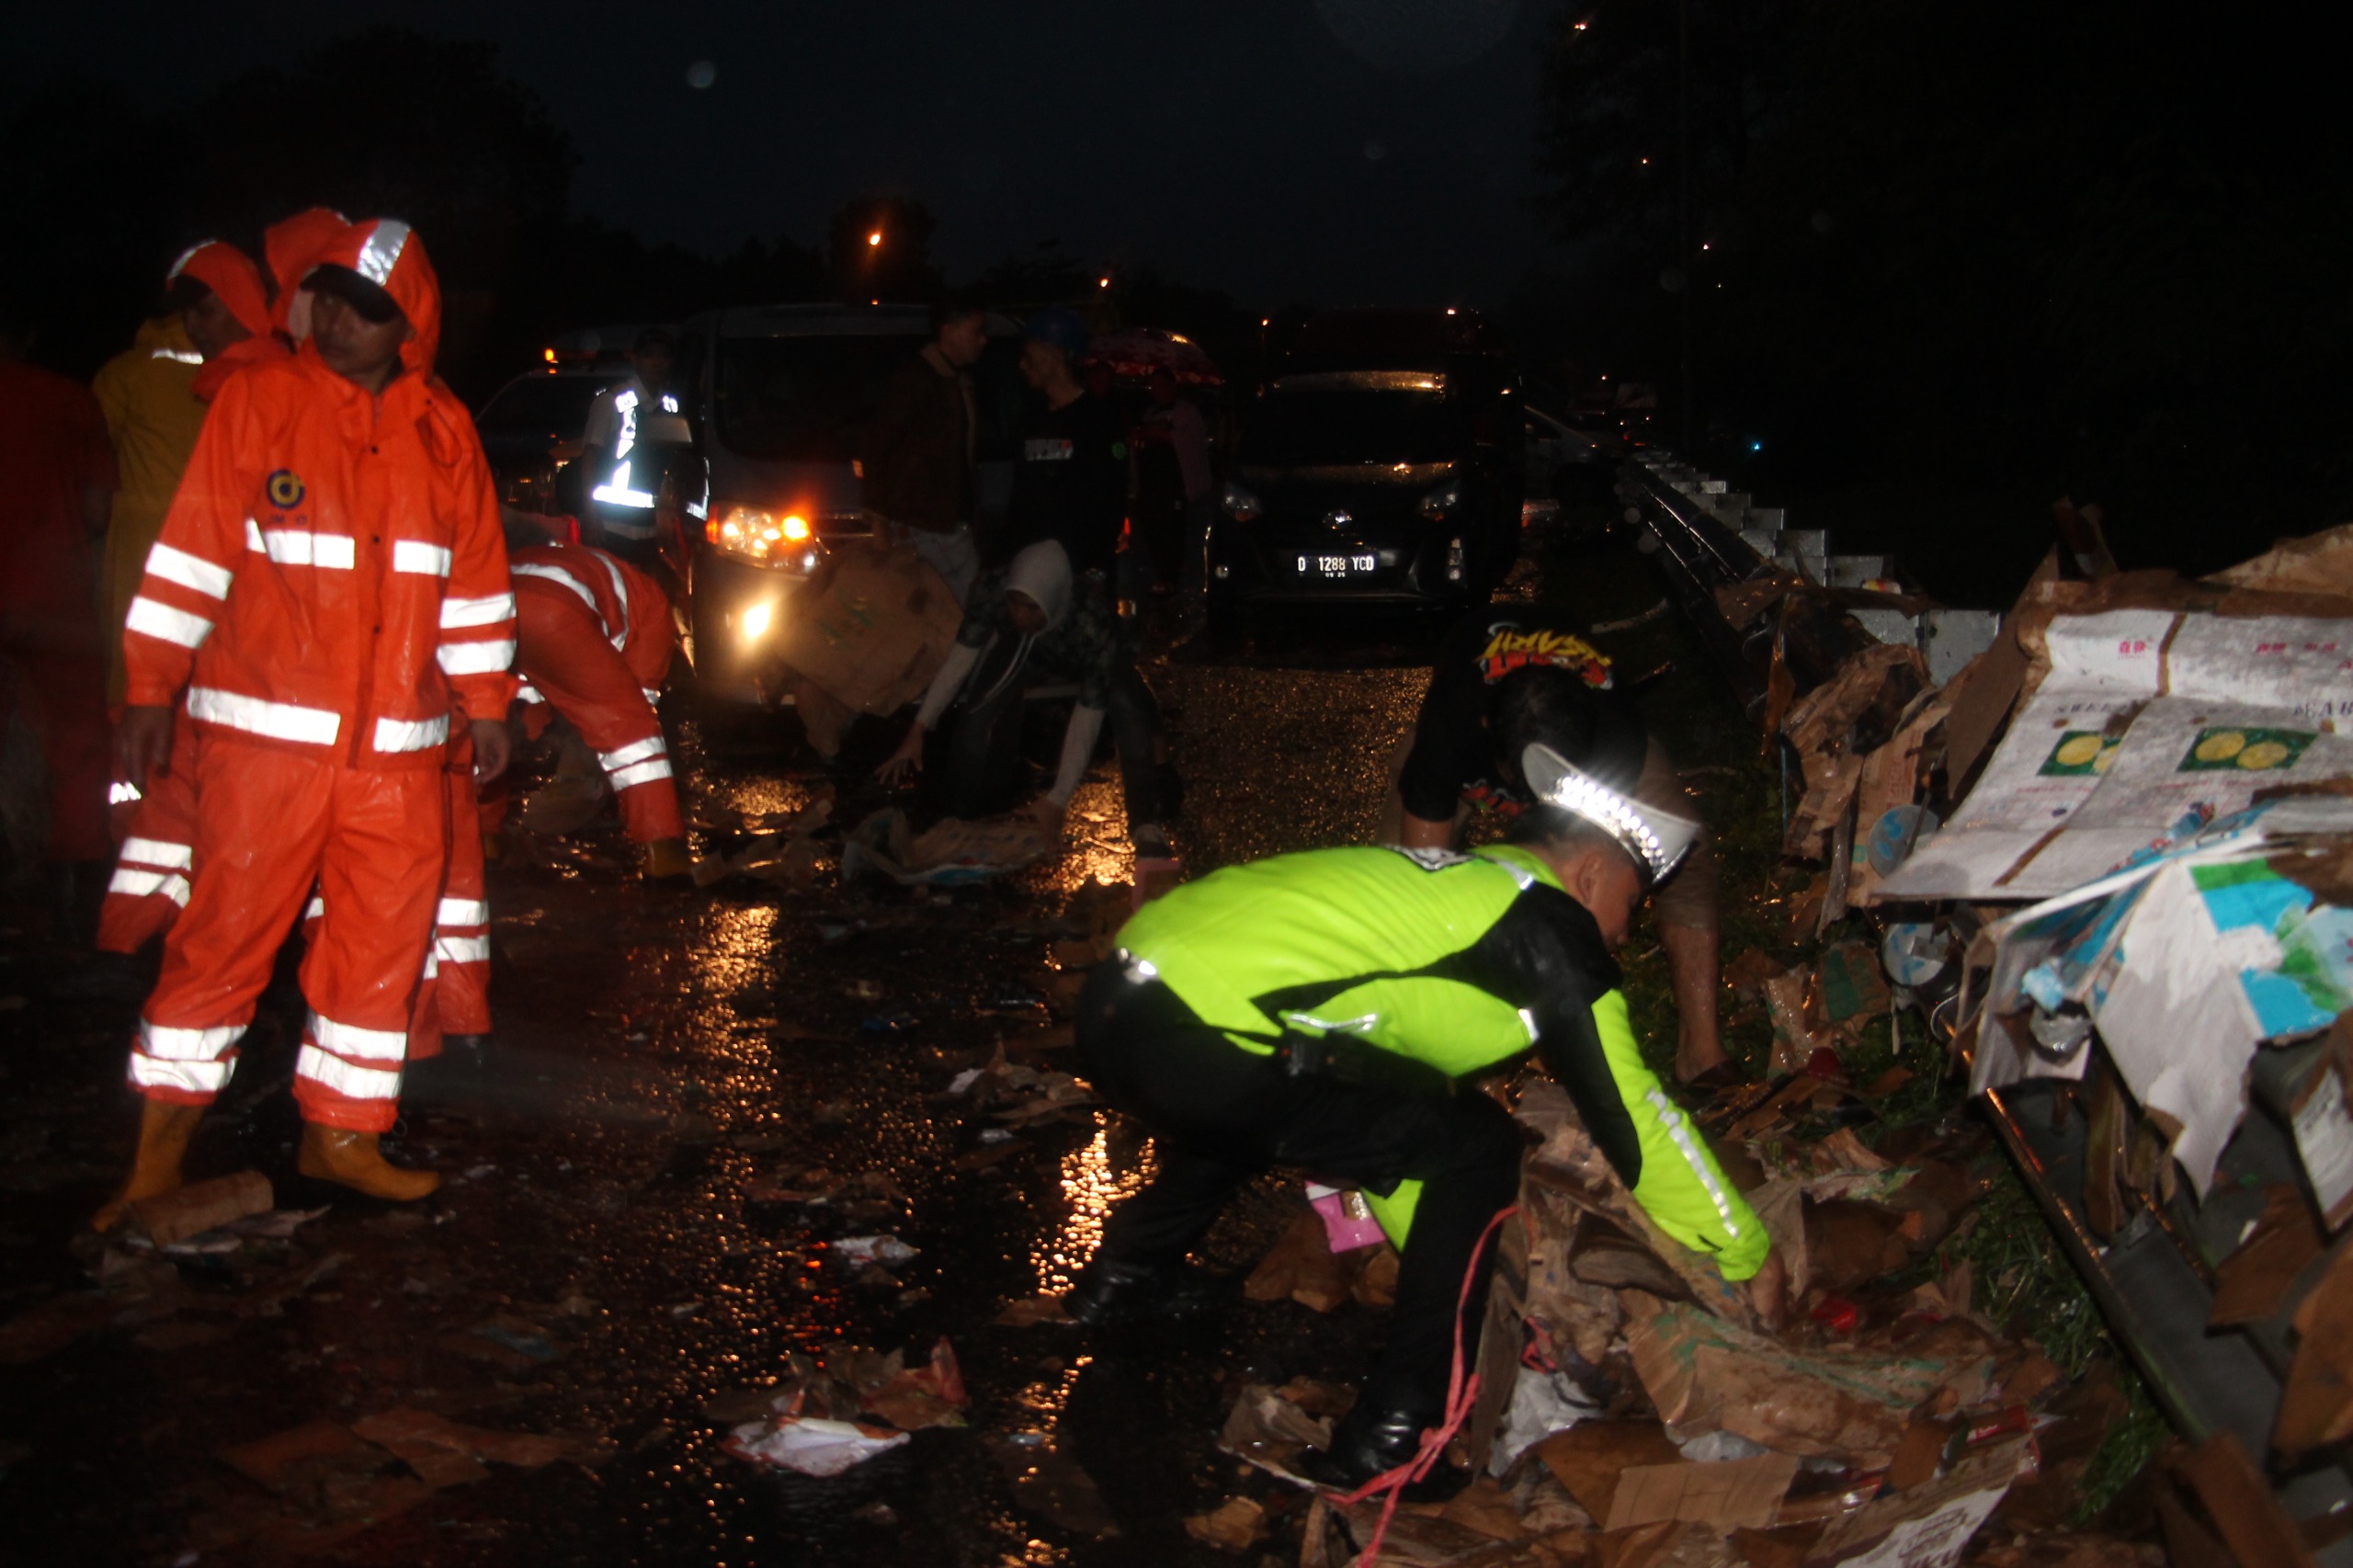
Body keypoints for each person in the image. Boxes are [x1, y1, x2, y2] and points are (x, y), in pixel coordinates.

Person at [1065, 684, 1782, 1498]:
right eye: (1631, 904)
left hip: (1121, 1003)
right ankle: (1404, 1433)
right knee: (1477, 1148)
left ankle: (1126, 1276)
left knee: (1285, 1101)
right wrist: (1744, 1247)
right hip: (1197, 1034)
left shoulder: (1456, 894)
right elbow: (1633, 1117)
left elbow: (1393, 1131)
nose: (1625, 932)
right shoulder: (1543, 928)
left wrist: (1436, 1263)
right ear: (1590, 873)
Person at [97, 216, 516, 1226]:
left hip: (399, 759)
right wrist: (150, 691)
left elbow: (472, 584)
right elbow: (189, 558)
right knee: (221, 947)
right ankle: (156, 1160)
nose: (335, 323)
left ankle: (343, 1137)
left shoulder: (444, 429)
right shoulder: (259, 400)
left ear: (407, 323)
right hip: (265, 747)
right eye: (324, 300)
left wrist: (489, 702)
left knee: (378, 953)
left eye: (363, 312)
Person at [1386, 608, 1731, 1083]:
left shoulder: (1614, 731)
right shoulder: (1453, 723)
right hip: (1470, 746)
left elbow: (1590, 878)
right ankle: (1421, 1049)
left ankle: (1702, 1052)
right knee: (1397, 886)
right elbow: (1424, 876)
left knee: (1689, 852)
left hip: (1592, 768)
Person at [877, 540, 1176, 855]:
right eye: (1014, 603)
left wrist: (1058, 799)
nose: (1018, 613)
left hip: (1086, 652)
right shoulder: (994, 588)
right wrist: (918, 728)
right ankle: (961, 813)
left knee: (1128, 702)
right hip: (1029, 646)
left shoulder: (1092, 623)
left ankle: (1146, 822)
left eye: (1029, 607)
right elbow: (961, 659)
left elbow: (1086, 718)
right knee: (977, 713)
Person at [93, 243, 276, 706]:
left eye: (207, 312)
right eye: (190, 314)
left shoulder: (279, 388)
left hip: (204, 583)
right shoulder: (276, 380)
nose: (196, 327)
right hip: (187, 582)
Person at [0, 298, 119, 892]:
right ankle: (73, 891)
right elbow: (98, 509)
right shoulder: (70, 401)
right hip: (52, 599)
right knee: (76, 742)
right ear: (26, 336)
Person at [501, 528, 689, 879]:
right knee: (631, 733)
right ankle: (664, 850)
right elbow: (632, 715)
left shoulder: (596, 567)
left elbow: (544, 678)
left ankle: (483, 837)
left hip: (493, 600)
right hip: (554, 612)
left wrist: (532, 720)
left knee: (482, 724)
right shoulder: (655, 608)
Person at [861, 296, 987, 601]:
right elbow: (877, 448)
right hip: (926, 525)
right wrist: (880, 527)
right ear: (948, 332)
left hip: (946, 522)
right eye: (976, 331)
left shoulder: (957, 382)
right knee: (972, 611)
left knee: (952, 614)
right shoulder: (917, 382)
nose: (983, 341)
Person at [1003, 307, 1127, 579]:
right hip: (1031, 573)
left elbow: (1111, 500)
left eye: (1029, 355)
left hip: (1078, 571)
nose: (1022, 365)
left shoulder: (1098, 420)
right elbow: (1020, 497)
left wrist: (1094, 567)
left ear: (1055, 354)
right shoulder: (1030, 420)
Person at [579, 326, 680, 565]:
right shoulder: (611, 402)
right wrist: (590, 514)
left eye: (664, 356)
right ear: (635, 360)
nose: (657, 362)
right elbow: (590, 456)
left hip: (649, 529)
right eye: (649, 354)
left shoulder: (670, 407)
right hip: (610, 526)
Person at [1131, 366, 1215, 599]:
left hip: (1176, 487)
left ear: (1171, 385)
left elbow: (1190, 443)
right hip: (1152, 487)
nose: (1156, 390)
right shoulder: (1149, 413)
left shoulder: (1186, 412)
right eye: (1153, 385)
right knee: (1154, 533)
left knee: (1177, 536)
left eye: (1160, 384)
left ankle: (1181, 585)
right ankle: (1160, 581)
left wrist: (1157, 434)